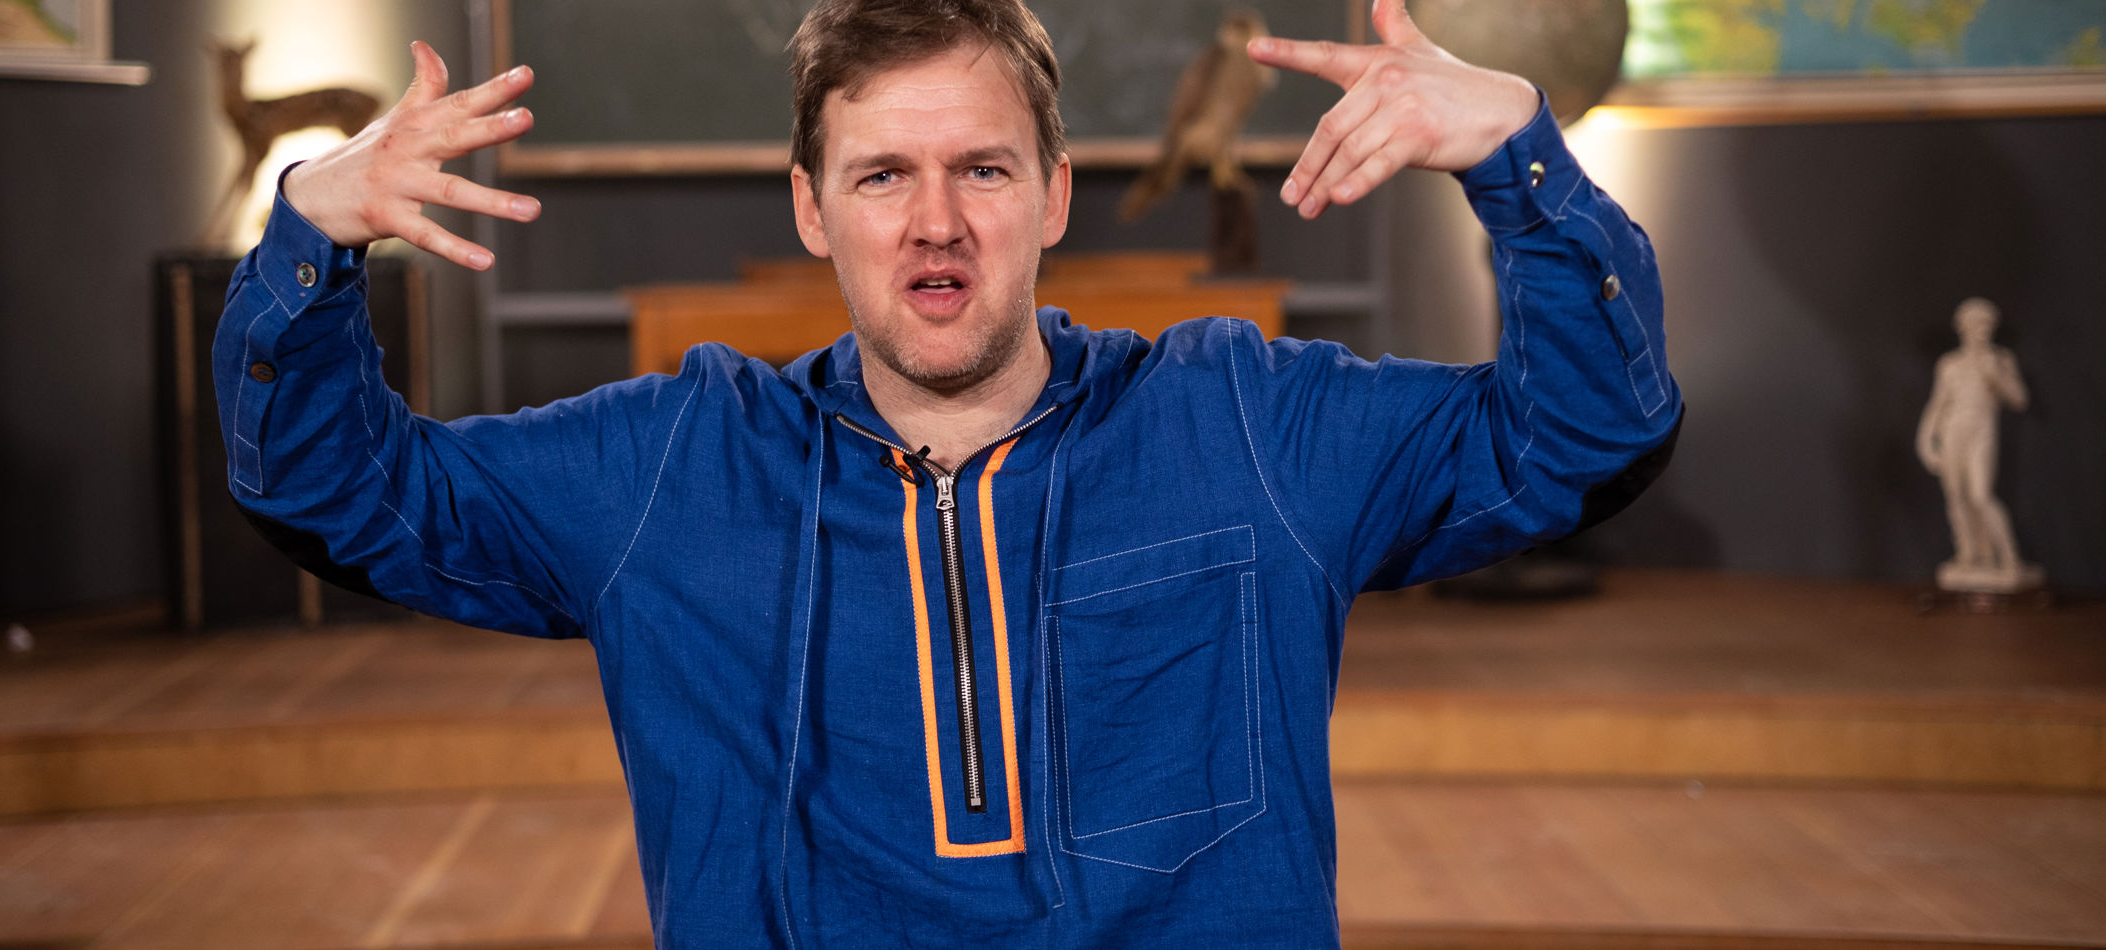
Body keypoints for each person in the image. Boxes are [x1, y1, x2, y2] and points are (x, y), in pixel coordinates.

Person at [213, 0, 1682, 944]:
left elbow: (1585, 433)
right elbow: (339, 491)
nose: (935, 223)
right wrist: (308, 244)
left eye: (982, 169)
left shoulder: (1241, 423)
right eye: (881, 175)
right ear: (812, 209)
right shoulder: (670, 463)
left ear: (1053, 195)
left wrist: (1519, 163)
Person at [1916, 297, 2034, 591]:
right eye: (1975, 324)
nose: (1981, 330)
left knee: (1981, 495)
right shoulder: (1950, 364)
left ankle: (2009, 556)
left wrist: (1995, 377)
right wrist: (1926, 442)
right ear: (1963, 327)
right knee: (1956, 496)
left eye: (1986, 325)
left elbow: (2019, 399)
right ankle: (1971, 554)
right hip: (1952, 430)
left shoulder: (2000, 359)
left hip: (1981, 429)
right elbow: (1937, 405)